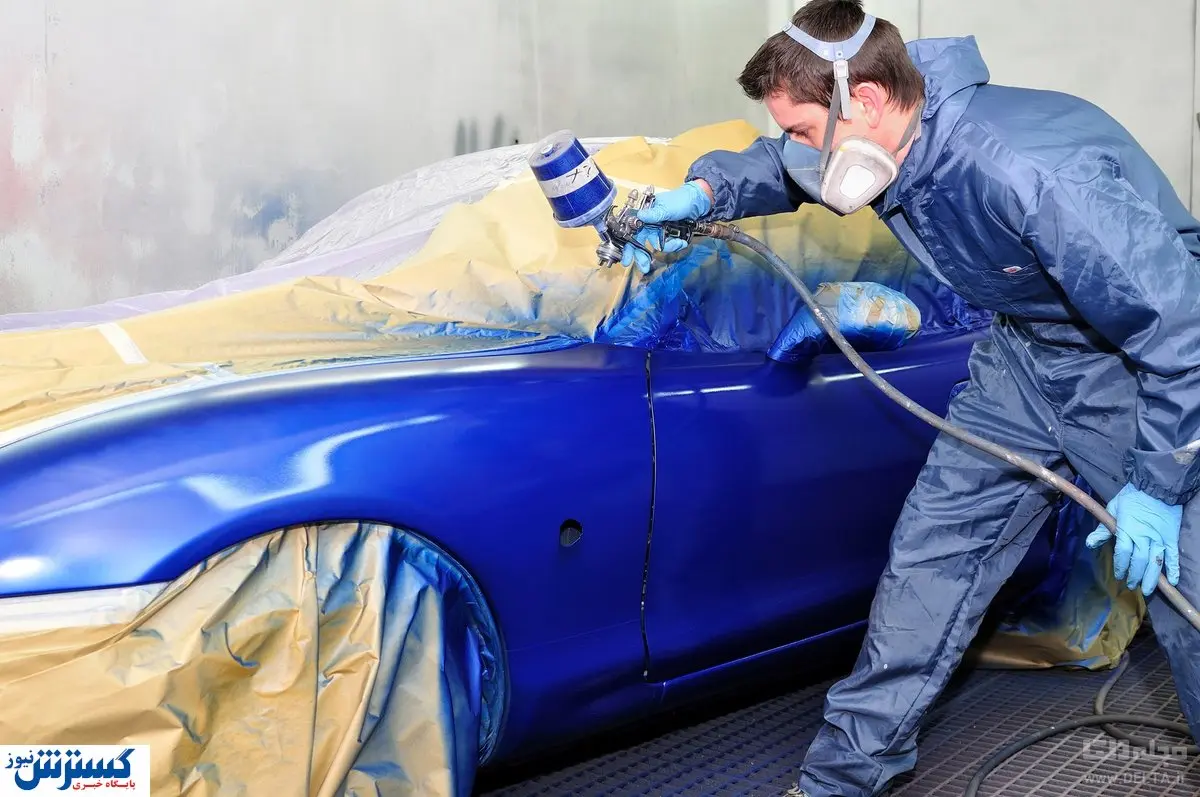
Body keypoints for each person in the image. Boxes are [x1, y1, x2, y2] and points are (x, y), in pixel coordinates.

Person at [620, 1, 1200, 795]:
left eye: (802, 129)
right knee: (931, 562)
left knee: (1185, 590)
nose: (799, 150)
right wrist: (702, 193)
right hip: (1021, 364)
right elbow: (786, 166)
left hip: (1136, 368)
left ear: (863, 99)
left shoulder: (1026, 171)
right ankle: (839, 779)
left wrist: (1161, 481)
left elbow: (1180, 326)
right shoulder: (886, 136)